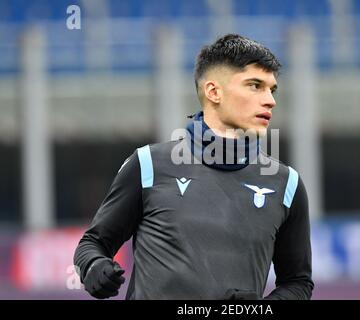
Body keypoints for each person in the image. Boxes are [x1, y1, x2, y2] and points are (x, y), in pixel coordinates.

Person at [73, 34, 314, 300]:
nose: (270, 100)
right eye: (255, 85)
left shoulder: (286, 183)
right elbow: (92, 244)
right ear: (213, 92)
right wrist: (94, 267)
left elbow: (298, 283)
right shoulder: (148, 165)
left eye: (272, 89)